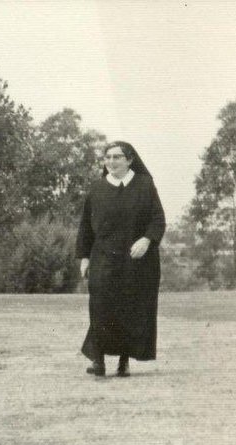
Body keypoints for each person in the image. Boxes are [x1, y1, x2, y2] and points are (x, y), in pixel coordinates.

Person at [76, 140, 166, 377]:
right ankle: (98, 361)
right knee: (100, 308)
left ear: (129, 160)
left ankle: (123, 361)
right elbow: (85, 227)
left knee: (128, 309)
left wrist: (146, 240)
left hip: (134, 262)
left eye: (117, 157)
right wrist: (83, 258)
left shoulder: (145, 185)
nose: (111, 162)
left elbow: (158, 220)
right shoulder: (96, 189)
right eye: (107, 157)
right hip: (103, 258)